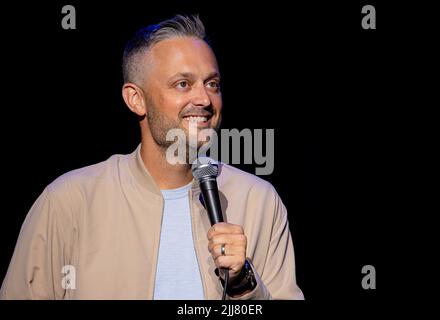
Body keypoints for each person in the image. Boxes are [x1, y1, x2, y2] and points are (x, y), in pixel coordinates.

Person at [0, 15, 304, 300]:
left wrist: (244, 283)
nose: (204, 99)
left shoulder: (258, 200)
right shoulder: (70, 199)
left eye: (212, 84)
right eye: (182, 84)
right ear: (136, 99)